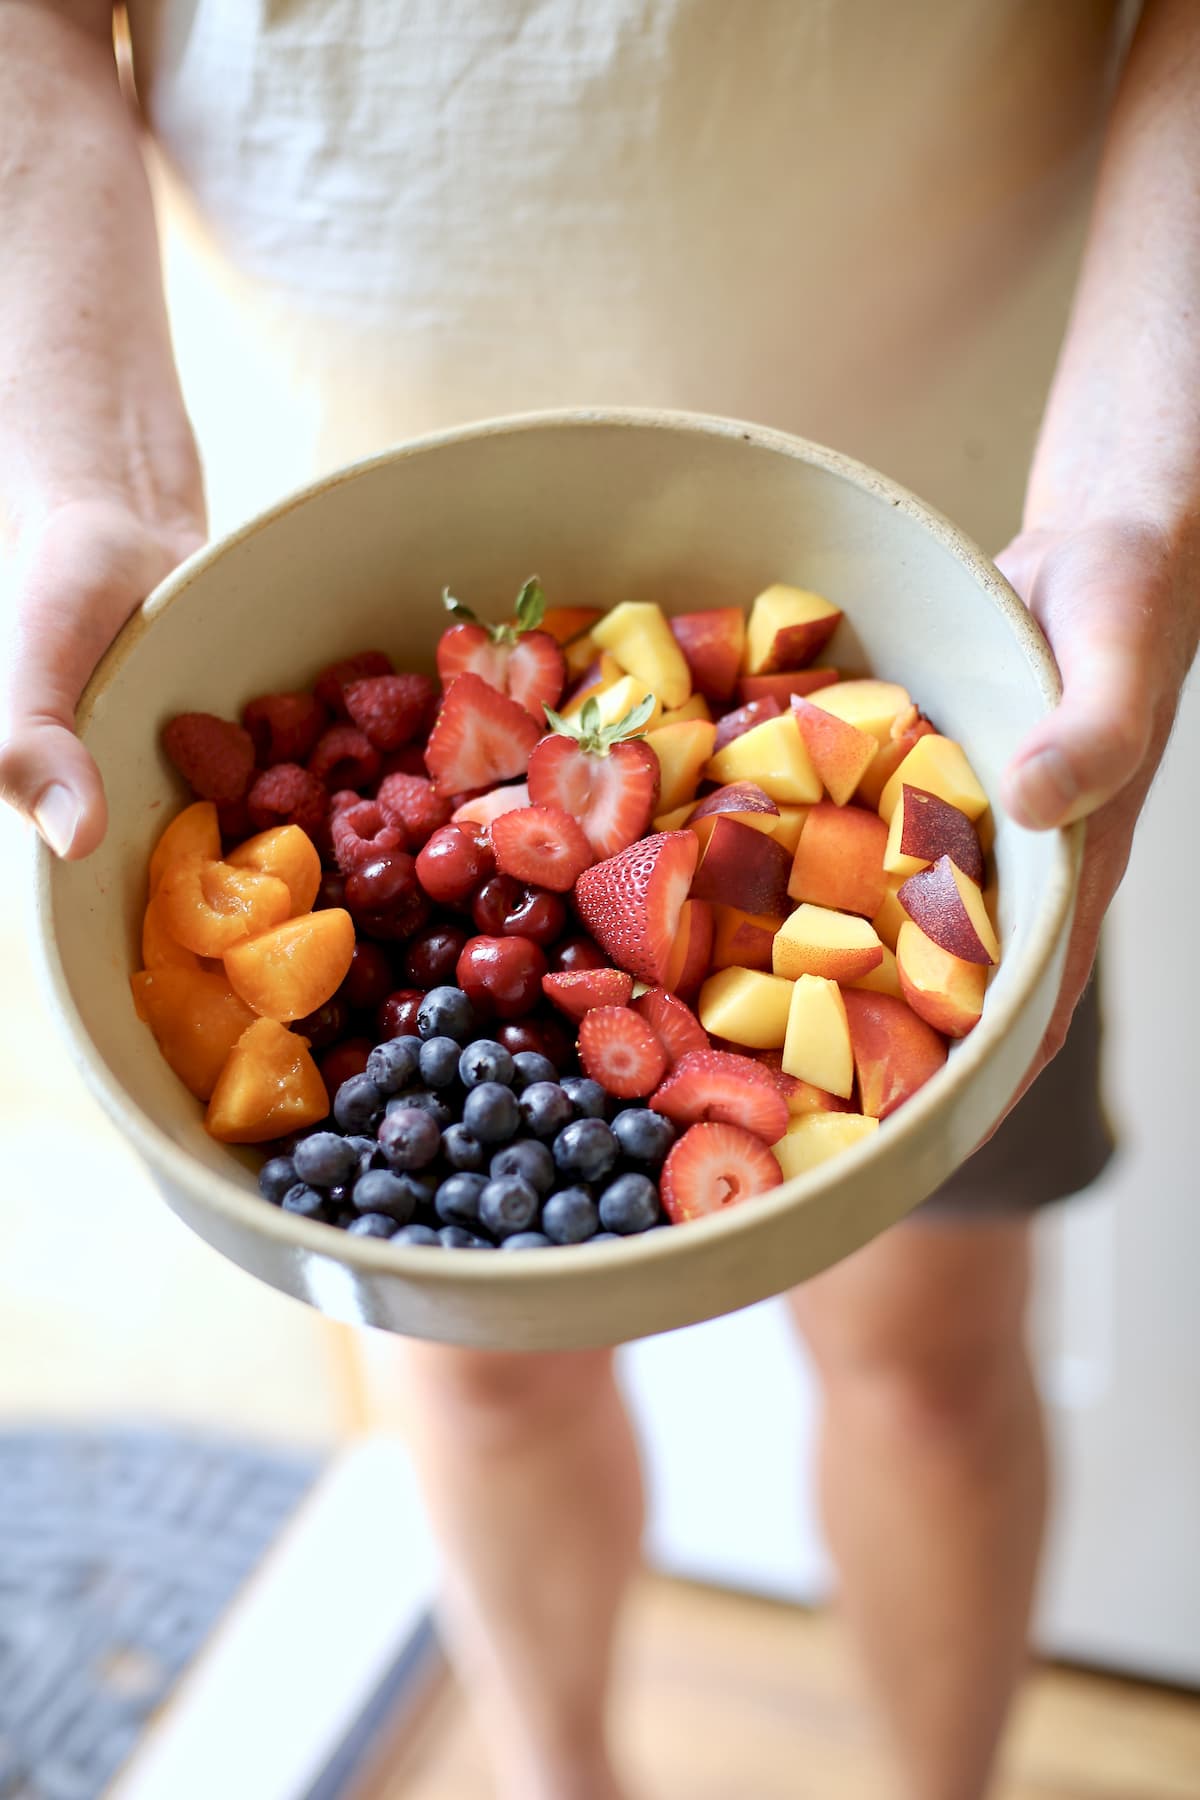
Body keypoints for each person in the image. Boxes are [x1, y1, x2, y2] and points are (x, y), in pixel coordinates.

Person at [2, 3, 1197, 1796]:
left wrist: (1138, 485)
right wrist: (79, 472)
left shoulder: (893, 794)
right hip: (329, 503)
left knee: (936, 1360)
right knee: (474, 1375)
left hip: (959, 604)